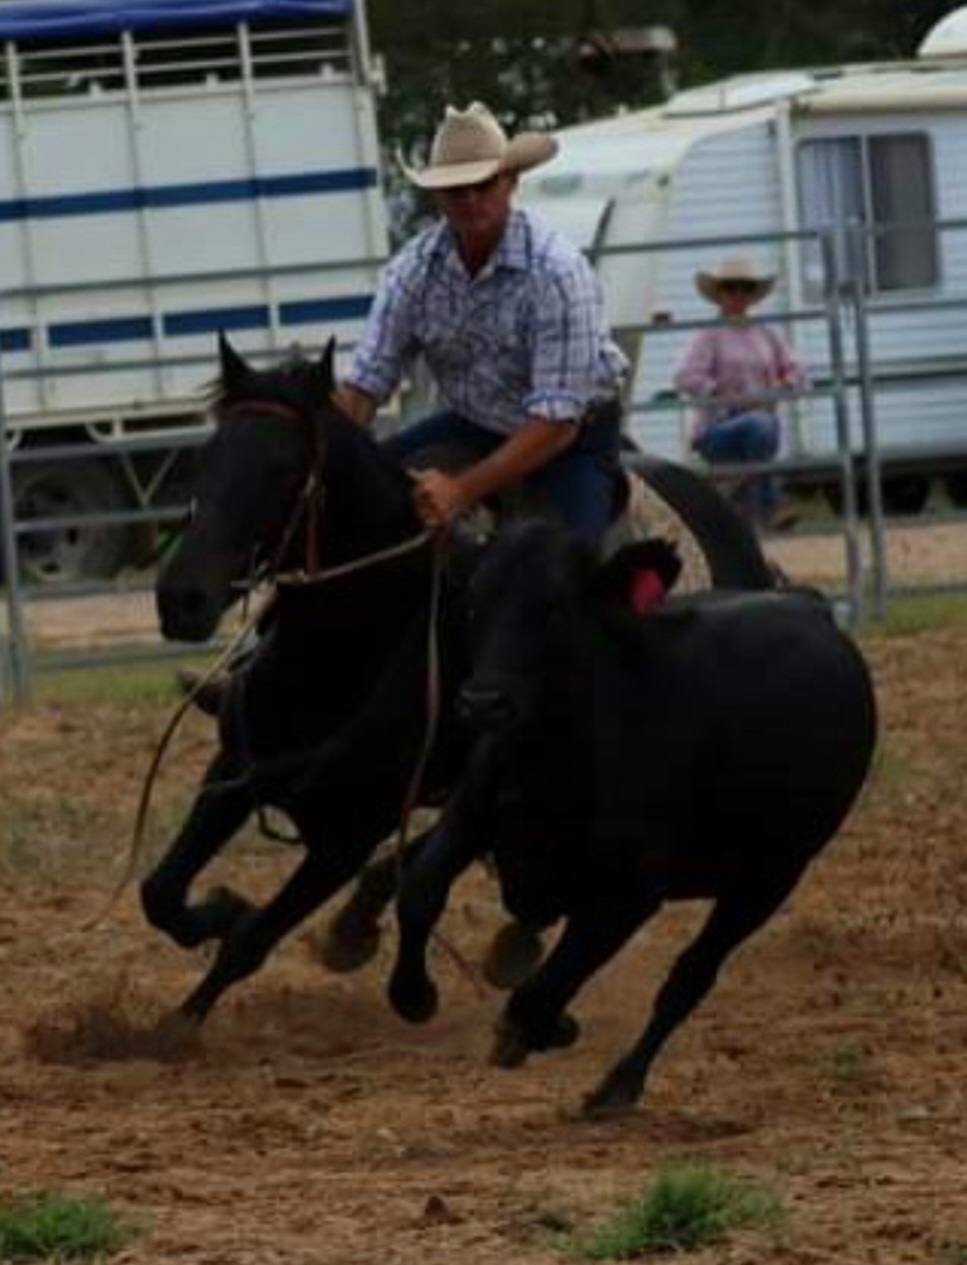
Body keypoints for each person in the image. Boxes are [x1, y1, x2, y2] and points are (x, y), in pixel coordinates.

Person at [334, 100, 629, 548]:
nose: (471, 199)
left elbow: (557, 420)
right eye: (456, 189)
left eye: (483, 184)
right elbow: (367, 381)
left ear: (510, 182)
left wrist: (460, 490)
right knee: (363, 501)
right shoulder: (412, 271)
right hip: (475, 422)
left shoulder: (556, 272)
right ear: (438, 196)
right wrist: (331, 454)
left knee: (564, 566)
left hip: (569, 441)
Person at [673, 256, 806, 532]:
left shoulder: (767, 333)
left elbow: (797, 370)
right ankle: (771, 505)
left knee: (762, 427)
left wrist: (781, 387)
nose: (738, 295)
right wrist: (722, 395)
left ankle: (743, 506)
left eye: (745, 288)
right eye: (730, 288)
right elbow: (685, 376)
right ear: (719, 294)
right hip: (718, 428)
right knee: (762, 426)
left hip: (761, 426)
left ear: (753, 295)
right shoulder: (709, 335)